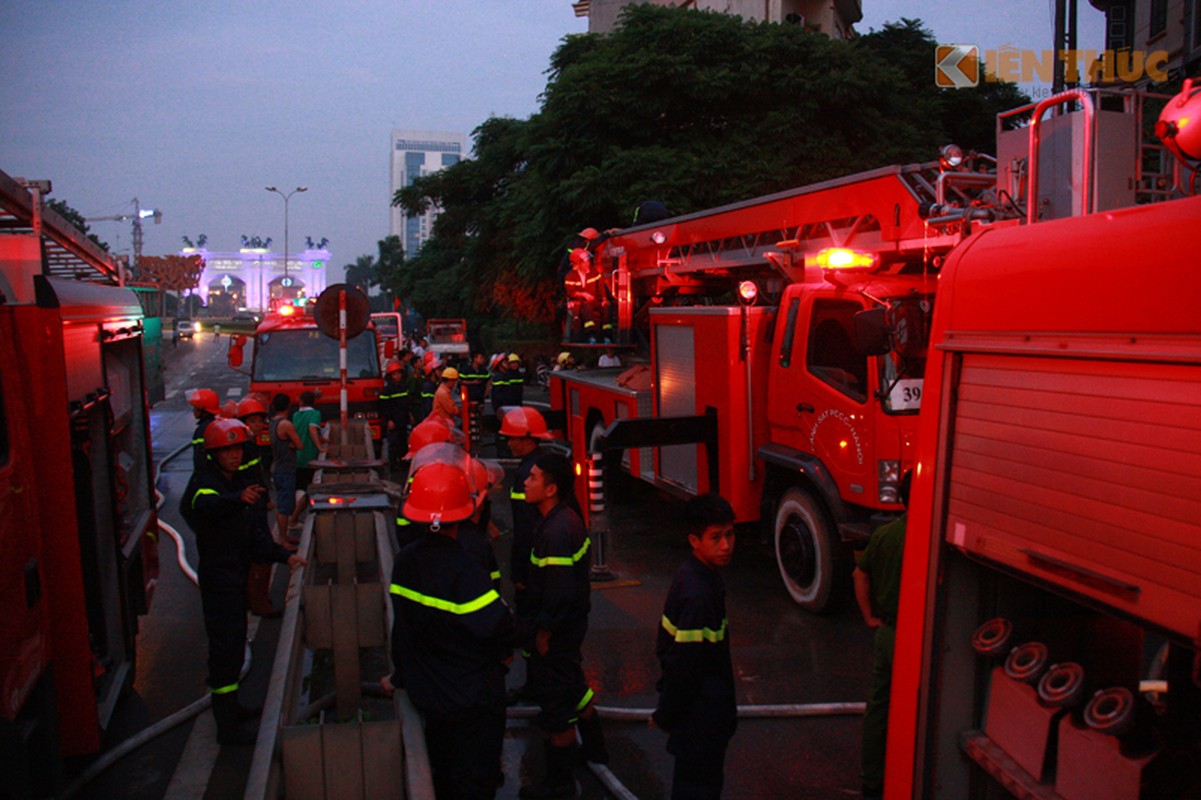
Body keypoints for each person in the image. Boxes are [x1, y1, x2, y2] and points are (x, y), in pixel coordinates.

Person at [381, 457, 516, 799]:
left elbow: (404, 629)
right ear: (466, 510)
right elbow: (499, 627)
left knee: (441, 775)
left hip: (430, 694)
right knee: (476, 782)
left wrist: (400, 676)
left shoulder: (406, 560)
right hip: (471, 699)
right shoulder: (464, 569)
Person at [179, 418, 306, 745]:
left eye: (237, 449)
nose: (234, 456)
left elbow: (254, 539)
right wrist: (238, 500)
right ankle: (227, 729)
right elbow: (200, 504)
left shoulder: (236, 485)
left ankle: (234, 709)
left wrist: (285, 556)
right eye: (226, 451)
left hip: (235, 577)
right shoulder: (207, 483)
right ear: (213, 455)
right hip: (219, 579)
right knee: (224, 651)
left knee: (235, 647)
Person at [519, 452, 607, 798]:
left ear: (551, 488)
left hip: (556, 631)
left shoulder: (555, 531)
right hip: (569, 628)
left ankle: (559, 785)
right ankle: (596, 749)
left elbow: (558, 591)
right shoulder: (565, 518)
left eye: (534, 478)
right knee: (573, 684)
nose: (525, 481)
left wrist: (543, 632)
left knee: (556, 705)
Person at [651, 494, 738, 800]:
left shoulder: (698, 576)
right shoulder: (699, 593)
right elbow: (685, 666)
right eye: (716, 537)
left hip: (701, 715)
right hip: (701, 717)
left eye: (729, 535)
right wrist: (666, 714)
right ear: (694, 540)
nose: (726, 545)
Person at [853, 471, 910, 800]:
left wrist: (870, 618)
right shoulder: (929, 537)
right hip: (915, 637)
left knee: (879, 708)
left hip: (887, 631)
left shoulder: (886, 535)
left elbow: (859, 574)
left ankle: (872, 780)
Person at [500, 407, 555, 704]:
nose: (508, 443)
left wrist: (519, 573)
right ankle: (538, 684)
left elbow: (523, 529)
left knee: (530, 628)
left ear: (527, 438)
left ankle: (537, 687)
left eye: (512, 438)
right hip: (544, 566)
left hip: (533, 568)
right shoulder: (547, 465)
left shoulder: (526, 474)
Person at [236, 397, 281, 618]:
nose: (257, 425)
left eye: (259, 421)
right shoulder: (243, 446)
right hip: (249, 508)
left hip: (255, 504)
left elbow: (257, 475)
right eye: (252, 421)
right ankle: (258, 601)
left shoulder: (250, 444)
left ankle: (250, 598)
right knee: (261, 553)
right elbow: (247, 478)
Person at [268, 393, 303, 545]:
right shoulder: (286, 425)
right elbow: (300, 445)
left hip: (277, 467)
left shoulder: (272, 423)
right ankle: (282, 539)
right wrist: (293, 445)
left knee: (284, 503)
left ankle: (284, 537)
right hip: (286, 469)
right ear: (289, 406)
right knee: (284, 507)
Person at [380, 358, 413, 471]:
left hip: (402, 420)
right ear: (390, 376)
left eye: (399, 373)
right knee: (393, 443)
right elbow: (384, 407)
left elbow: (406, 403)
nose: (397, 376)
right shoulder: (387, 390)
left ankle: (403, 462)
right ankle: (393, 465)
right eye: (395, 374)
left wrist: (409, 414)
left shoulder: (403, 387)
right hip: (394, 421)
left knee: (403, 442)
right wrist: (389, 420)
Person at [293, 390, 325, 501]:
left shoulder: (295, 415)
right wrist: (320, 446)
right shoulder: (315, 414)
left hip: (297, 456)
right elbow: (312, 429)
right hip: (310, 454)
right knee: (310, 484)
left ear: (300, 402)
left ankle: (296, 513)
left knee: (299, 486)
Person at [188, 388, 222, 472]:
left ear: (204, 410)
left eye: (196, 408)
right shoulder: (215, 425)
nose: (193, 410)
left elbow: (200, 460)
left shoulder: (202, 430)